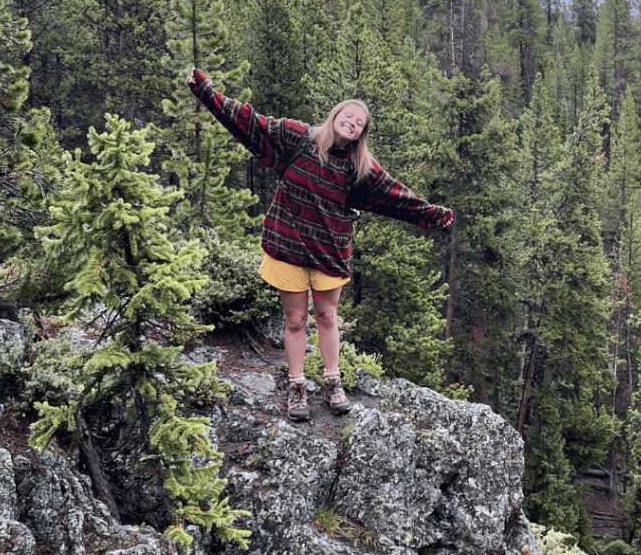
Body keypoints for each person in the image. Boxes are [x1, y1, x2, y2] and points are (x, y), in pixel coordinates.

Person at [188, 69, 453, 421]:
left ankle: (332, 381)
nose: (352, 123)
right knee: (296, 319)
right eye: (348, 116)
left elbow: (396, 197)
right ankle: (297, 386)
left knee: (327, 317)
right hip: (289, 246)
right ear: (335, 116)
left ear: (362, 133)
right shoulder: (297, 138)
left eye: (359, 123)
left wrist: (432, 215)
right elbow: (250, 121)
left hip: (329, 253)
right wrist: (208, 93)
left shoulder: (362, 170)